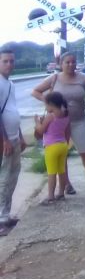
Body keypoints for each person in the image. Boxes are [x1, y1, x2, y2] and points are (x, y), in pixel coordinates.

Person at [31, 52, 85, 191]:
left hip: (78, 121)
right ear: (61, 64)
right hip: (58, 124)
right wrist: (51, 103)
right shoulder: (54, 78)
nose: (71, 65)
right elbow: (35, 91)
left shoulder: (84, 78)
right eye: (67, 62)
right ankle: (66, 184)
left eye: (73, 62)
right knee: (62, 153)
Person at [0, 46, 27, 235]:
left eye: (11, 61)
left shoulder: (10, 84)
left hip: (15, 137)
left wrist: (21, 136)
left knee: (12, 177)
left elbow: (12, 111)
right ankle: (1, 220)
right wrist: (5, 140)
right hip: (5, 140)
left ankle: (6, 215)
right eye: (5, 61)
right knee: (3, 179)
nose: (9, 64)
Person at [34, 92, 71, 205]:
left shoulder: (51, 116)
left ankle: (50, 196)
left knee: (51, 172)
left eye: (46, 105)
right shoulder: (66, 114)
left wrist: (37, 122)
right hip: (63, 145)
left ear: (50, 104)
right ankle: (61, 193)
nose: (45, 107)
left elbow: (41, 130)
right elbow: (67, 131)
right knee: (62, 171)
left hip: (51, 147)